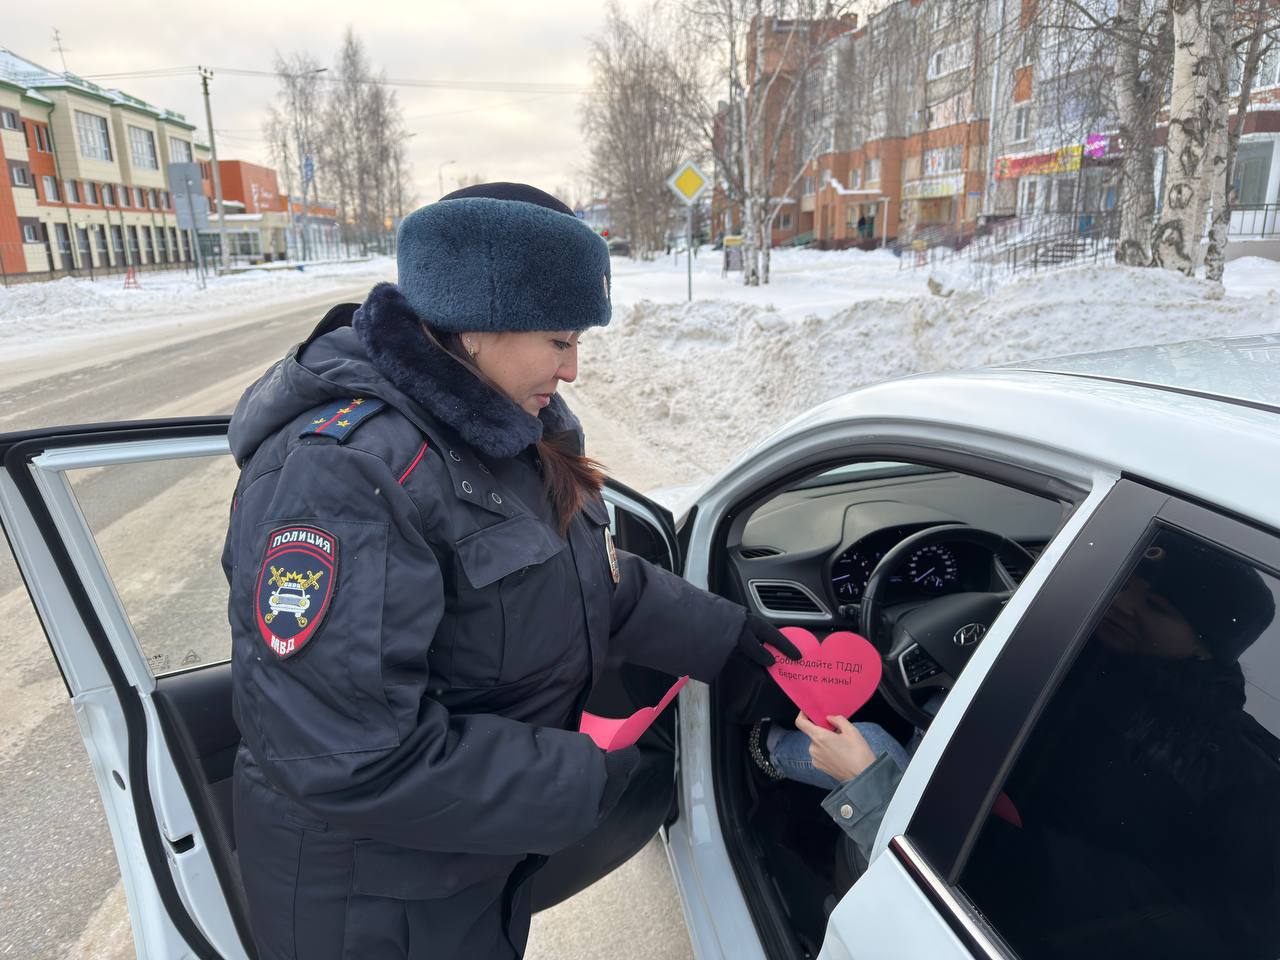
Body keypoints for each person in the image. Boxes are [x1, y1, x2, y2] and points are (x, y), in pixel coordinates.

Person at [221, 181, 800, 960]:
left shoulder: (498, 433)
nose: (572, 370)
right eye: (559, 340)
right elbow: (348, 754)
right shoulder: (346, 475)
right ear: (474, 324)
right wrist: (584, 777)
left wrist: (732, 645)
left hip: (458, 866)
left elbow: (580, 576)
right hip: (368, 903)